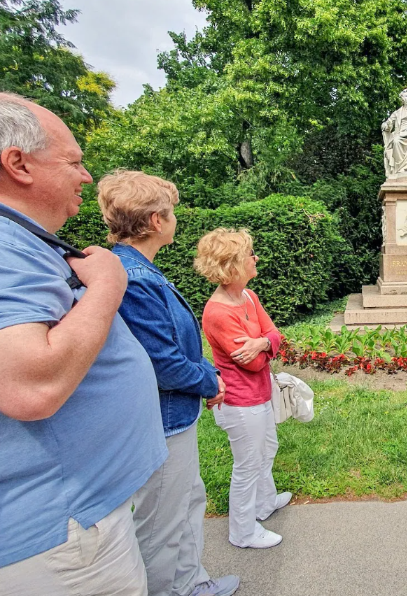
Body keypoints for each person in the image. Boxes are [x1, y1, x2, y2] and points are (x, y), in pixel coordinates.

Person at [0, 95, 167, 594]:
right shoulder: (7, 246)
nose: (87, 176)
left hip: (80, 520)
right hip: (64, 537)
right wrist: (109, 285)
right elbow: (30, 386)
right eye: (73, 162)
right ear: (17, 164)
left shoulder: (24, 241)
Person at [96, 171, 240, 596]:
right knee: (162, 522)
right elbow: (163, 363)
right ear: (156, 221)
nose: (176, 219)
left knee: (187, 501)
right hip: (163, 420)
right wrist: (210, 380)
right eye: (172, 212)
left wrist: (205, 376)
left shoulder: (139, 270)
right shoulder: (135, 278)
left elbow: (172, 347)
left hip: (173, 414)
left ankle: (191, 582)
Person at [194, 228, 290, 549]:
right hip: (240, 401)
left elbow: (274, 335)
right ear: (233, 265)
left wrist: (261, 342)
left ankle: (265, 503)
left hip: (260, 393)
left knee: (268, 448)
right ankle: (243, 532)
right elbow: (252, 364)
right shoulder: (218, 312)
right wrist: (267, 346)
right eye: (250, 255)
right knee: (247, 464)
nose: (256, 258)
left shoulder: (249, 297)